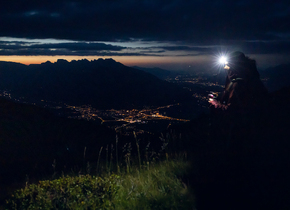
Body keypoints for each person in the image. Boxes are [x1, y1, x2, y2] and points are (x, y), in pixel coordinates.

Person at [208, 51, 268, 147]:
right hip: (255, 131)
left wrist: (215, 103)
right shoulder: (250, 78)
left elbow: (231, 112)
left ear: (235, 66)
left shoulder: (240, 84)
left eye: (228, 66)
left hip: (241, 135)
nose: (226, 68)